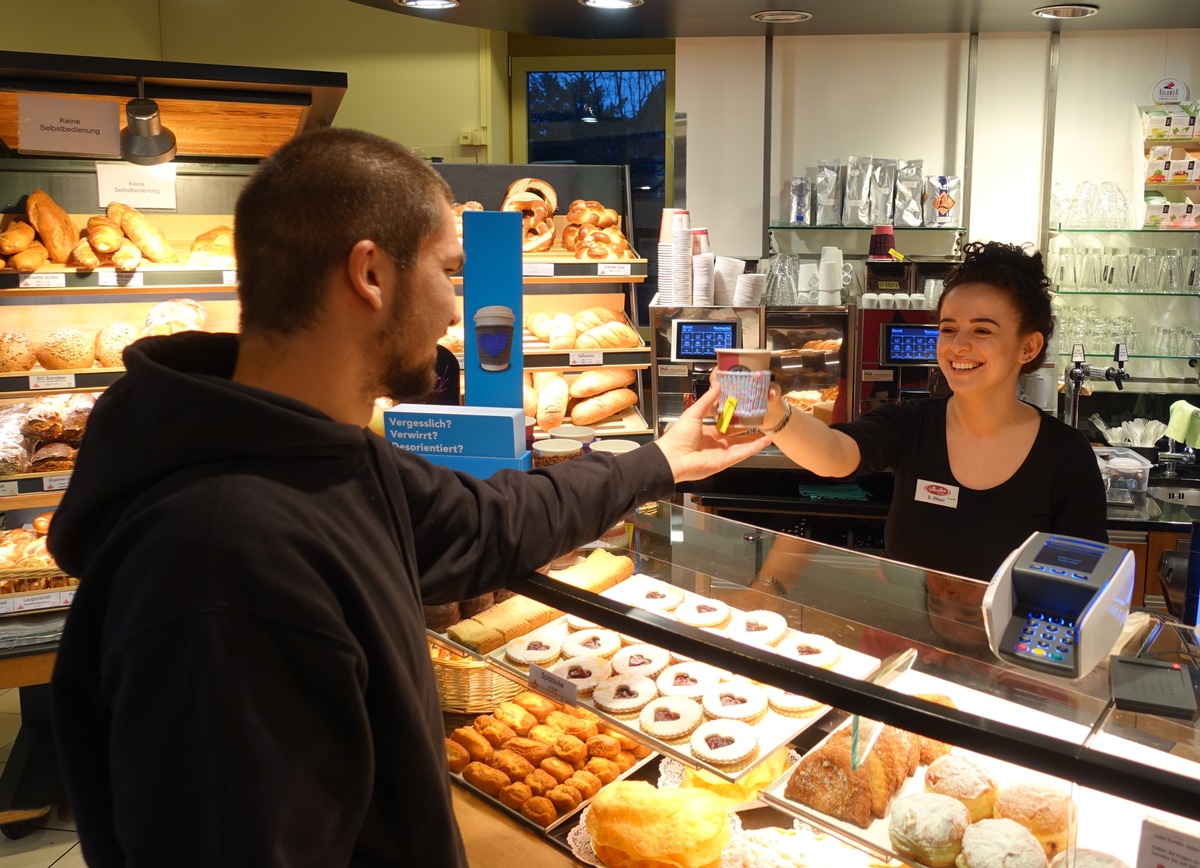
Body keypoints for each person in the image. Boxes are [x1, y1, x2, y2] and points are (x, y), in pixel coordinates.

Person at [47, 127, 770, 867]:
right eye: (448, 271)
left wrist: (660, 461)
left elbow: (490, 525)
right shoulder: (219, 564)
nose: (457, 308)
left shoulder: (330, 457)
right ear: (371, 275)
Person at [748, 241, 1106, 580]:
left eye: (982, 330)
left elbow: (1081, 584)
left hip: (1009, 645)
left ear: (1028, 347)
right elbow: (835, 454)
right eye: (948, 329)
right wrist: (772, 414)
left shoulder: (1065, 455)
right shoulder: (911, 424)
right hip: (907, 641)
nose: (958, 346)